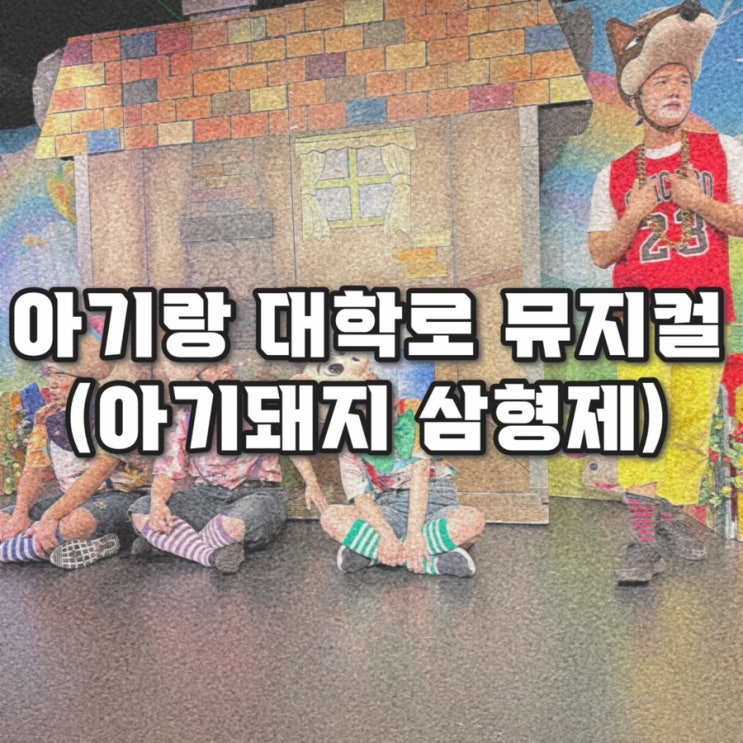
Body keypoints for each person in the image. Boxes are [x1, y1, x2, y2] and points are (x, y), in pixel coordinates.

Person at [588, 1, 743, 583]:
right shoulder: (612, 173)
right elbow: (601, 252)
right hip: (639, 314)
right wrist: (635, 213)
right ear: (637, 94)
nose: (674, 90)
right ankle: (643, 539)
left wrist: (697, 200)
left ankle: (672, 516)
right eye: (661, 81)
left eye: (682, 81)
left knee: (692, 420)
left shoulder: (724, 150)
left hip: (701, 311)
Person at [0, 318, 150, 569]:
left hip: (121, 498)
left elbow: (97, 473)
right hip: (68, 497)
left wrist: (51, 516)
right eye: (50, 373)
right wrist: (20, 515)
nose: (52, 382)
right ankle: (62, 545)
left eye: (61, 374)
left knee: (76, 524)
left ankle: (11, 551)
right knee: (4, 520)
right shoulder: (47, 417)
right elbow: (34, 471)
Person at [299, 389, 485, 578]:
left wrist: (414, 533)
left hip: (435, 499)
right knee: (331, 517)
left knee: (472, 521)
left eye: (393, 409)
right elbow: (361, 497)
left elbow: (420, 475)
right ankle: (429, 560)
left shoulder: (414, 414)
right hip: (388, 506)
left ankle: (374, 554)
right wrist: (386, 535)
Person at [128, 360, 292, 574]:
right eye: (212, 367)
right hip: (205, 497)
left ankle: (170, 544)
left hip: (257, 494)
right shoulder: (184, 419)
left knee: (238, 521)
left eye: (225, 362)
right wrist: (158, 504)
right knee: (142, 509)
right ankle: (211, 555)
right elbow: (166, 473)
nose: (225, 370)